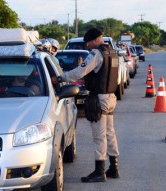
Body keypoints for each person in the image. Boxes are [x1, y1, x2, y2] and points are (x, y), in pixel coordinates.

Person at [51, 28, 120, 182]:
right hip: (110, 97)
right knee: (110, 133)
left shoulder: (96, 54)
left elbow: (79, 72)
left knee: (99, 136)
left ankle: (99, 172)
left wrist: (61, 78)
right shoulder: (112, 53)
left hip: (99, 99)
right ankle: (114, 168)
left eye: (88, 43)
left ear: (96, 39)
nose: (87, 46)